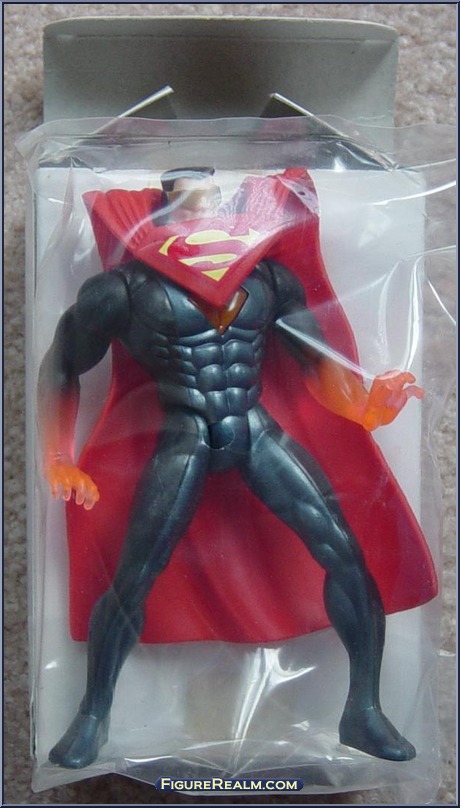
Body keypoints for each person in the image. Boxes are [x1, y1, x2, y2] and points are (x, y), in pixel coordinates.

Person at [38, 166, 429, 769]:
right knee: (133, 578)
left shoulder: (267, 278)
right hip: (185, 435)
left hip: (253, 426)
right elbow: (62, 364)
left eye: (210, 201)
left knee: (346, 554)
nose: (201, 212)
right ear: (161, 210)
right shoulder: (125, 289)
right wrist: (58, 455)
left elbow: (316, 363)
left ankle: (364, 711)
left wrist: (365, 404)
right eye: (187, 202)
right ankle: (92, 716)